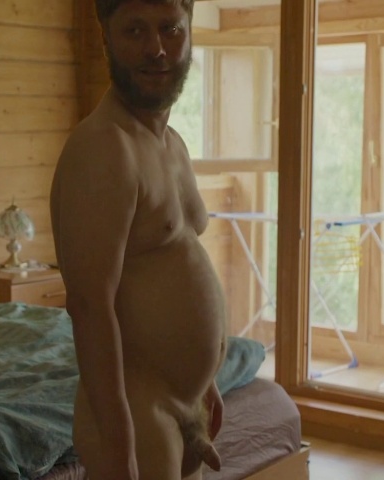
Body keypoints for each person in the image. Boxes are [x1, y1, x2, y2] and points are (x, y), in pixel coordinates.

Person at [49, 1, 227, 479]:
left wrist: (204, 382)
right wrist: (119, 445)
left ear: (190, 32)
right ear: (106, 37)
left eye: (171, 28)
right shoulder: (104, 147)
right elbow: (90, 306)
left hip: (183, 405)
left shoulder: (173, 146)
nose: (156, 48)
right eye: (135, 31)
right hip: (138, 409)